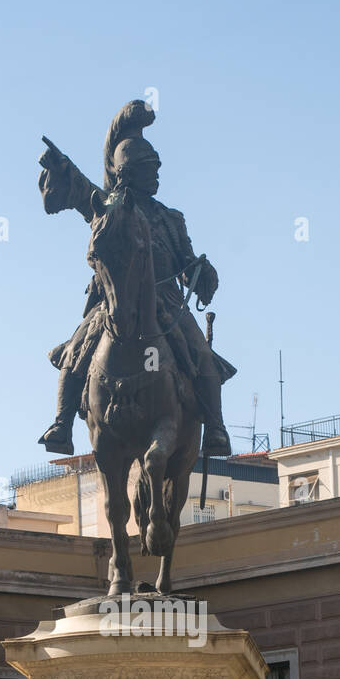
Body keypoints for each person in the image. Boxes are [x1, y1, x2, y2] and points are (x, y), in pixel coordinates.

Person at [36, 100, 235, 458]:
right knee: (76, 350)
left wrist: (202, 272)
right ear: (129, 173)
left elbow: (187, 261)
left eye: (157, 167)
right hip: (114, 300)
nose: (157, 175)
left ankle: (216, 428)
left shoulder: (172, 219)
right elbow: (82, 190)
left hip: (166, 302)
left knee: (202, 354)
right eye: (149, 168)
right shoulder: (109, 208)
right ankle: (61, 423)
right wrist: (62, 169)